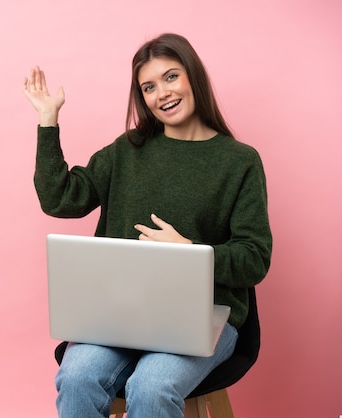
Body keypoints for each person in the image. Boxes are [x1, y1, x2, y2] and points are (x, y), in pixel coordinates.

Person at [22, 33, 273, 418]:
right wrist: (47, 121)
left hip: (202, 316)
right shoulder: (129, 149)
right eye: (149, 86)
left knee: (152, 387)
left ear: (194, 77)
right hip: (119, 315)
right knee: (77, 378)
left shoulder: (239, 161)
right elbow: (60, 199)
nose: (162, 94)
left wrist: (189, 251)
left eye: (171, 77)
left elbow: (254, 259)